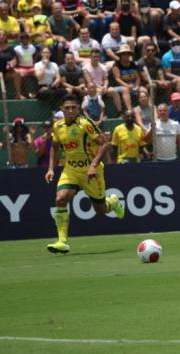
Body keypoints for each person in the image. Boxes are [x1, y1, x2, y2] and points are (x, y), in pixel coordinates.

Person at [44, 94, 125, 254]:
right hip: (71, 170)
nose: (70, 110)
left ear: (78, 109)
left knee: (100, 209)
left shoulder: (85, 125)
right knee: (60, 199)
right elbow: (54, 146)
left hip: (91, 171)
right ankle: (62, 241)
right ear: (61, 109)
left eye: (73, 107)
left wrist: (93, 166)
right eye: (67, 108)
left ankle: (113, 202)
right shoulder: (58, 126)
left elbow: (104, 144)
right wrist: (51, 168)